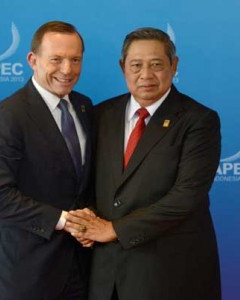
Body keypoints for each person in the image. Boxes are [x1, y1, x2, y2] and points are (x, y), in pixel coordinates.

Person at [64, 27, 222, 300]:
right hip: (105, 274)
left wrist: (114, 230)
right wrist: (84, 221)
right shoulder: (101, 114)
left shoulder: (199, 121)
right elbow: (91, 183)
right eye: (136, 65)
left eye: (157, 65)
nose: (146, 75)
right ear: (123, 67)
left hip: (169, 273)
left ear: (174, 66)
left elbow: (186, 198)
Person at [0, 21, 94, 300]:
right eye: (56, 59)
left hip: (80, 267)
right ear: (32, 60)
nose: (67, 69)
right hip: (25, 273)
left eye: (75, 59)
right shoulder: (7, 117)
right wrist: (68, 222)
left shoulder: (84, 105)